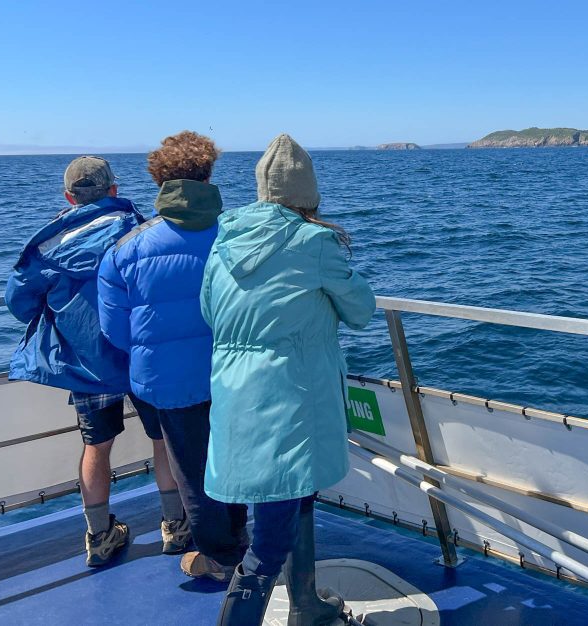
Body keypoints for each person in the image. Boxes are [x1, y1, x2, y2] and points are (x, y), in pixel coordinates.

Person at [201, 134, 376, 625]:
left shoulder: (225, 240)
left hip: (236, 393)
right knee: (270, 542)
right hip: (291, 401)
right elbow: (361, 309)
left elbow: (209, 312)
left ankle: (306, 604)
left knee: (291, 501)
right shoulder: (314, 241)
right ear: (309, 195)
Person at [5, 156, 187, 567]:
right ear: (113, 191)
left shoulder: (48, 243)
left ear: (69, 196)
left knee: (96, 446)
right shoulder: (139, 229)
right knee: (163, 440)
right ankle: (175, 528)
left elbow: (18, 301)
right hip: (139, 357)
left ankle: (99, 536)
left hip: (86, 364)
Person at [98, 132, 247, 582]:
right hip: (233, 374)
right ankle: (241, 542)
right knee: (234, 460)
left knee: (193, 473)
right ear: (208, 174)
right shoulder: (237, 236)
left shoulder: (126, 247)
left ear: (158, 180)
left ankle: (220, 558)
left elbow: (115, 330)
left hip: (165, 381)